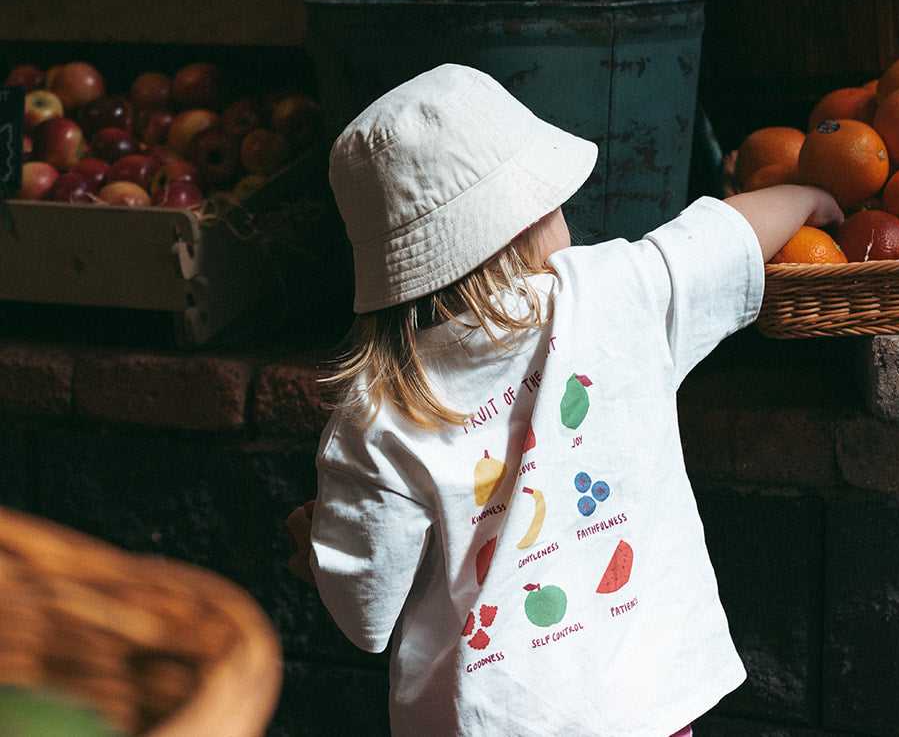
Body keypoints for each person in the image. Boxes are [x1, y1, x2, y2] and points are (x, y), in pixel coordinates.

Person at [308, 63, 842, 737]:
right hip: (641, 707)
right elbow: (724, 236)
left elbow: (366, 617)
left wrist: (315, 546)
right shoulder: (614, 293)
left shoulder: (376, 409)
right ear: (532, 215)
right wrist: (810, 196)